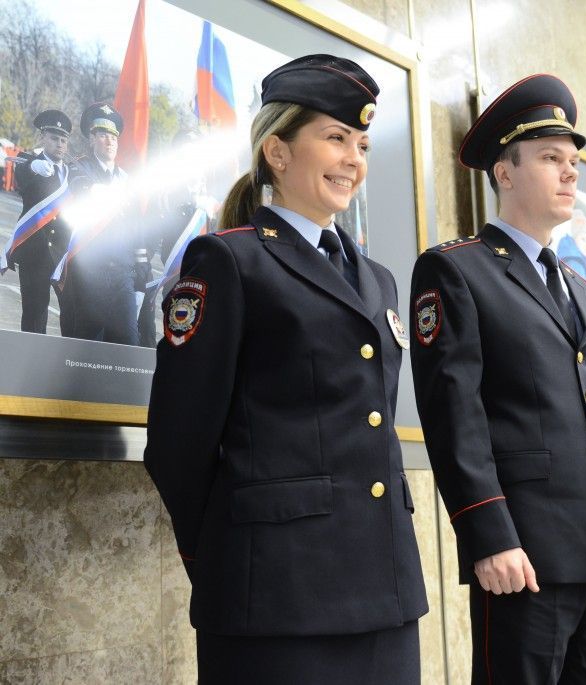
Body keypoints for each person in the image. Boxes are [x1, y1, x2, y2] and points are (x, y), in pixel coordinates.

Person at [144, 54, 427, 684]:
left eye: (362, 143)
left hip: (384, 593)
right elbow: (178, 443)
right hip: (274, 597)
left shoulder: (377, 280)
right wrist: (223, 553)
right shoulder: (228, 261)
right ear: (277, 150)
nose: (354, 158)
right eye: (335, 138)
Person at [410, 74, 586, 684]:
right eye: (551, 158)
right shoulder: (457, 271)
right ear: (505, 171)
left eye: (573, 161)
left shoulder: (583, 290)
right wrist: (488, 535)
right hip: (524, 557)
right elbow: (454, 417)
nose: (570, 172)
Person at [59, 103, 150, 344]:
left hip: (122, 274)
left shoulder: (125, 180)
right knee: (87, 345)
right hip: (88, 273)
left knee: (128, 343)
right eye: (102, 135)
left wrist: (141, 276)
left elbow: (137, 229)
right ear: (91, 140)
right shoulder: (77, 168)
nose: (109, 141)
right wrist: (98, 190)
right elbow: (78, 186)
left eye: (113, 137)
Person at [3, 110, 73, 333]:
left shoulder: (72, 172)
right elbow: (22, 172)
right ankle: (30, 363)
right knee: (35, 315)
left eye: (63, 140)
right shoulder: (30, 163)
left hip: (64, 254)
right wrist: (33, 166)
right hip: (36, 252)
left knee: (73, 312)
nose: (59, 144)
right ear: (42, 138)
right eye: (54, 138)